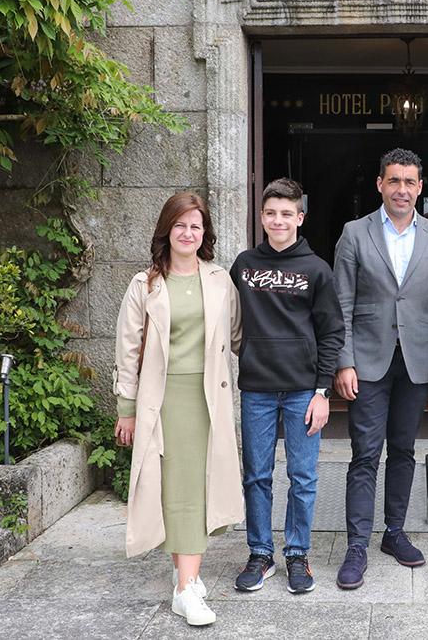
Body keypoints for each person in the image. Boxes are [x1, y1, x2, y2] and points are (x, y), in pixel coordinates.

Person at [113, 192, 243, 626]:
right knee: (178, 488)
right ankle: (187, 589)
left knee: (197, 488)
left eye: (196, 226)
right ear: (167, 230)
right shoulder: (145, 284)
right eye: (181, 225)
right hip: (163, 399)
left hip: (209, 399)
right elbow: (128, 350)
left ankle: (183, 577)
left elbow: (239, 336)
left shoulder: (220, 280)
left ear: (205, 234)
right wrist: (126, 408)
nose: (188, 233)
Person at [333, 147, 428, 589]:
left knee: (403, 449)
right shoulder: (354, 233)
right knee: (365, 453)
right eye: (394, 180)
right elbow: (341, 305)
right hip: (366, 360)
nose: (402, 189)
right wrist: (342, 361)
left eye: (410, 182)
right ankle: (356, 545)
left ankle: (395, 532)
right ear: (380, 185)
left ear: (420, 187)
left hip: (418, 360)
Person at [229, 178, 344, 595]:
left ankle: (298, 555)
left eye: (286, 213)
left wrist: (322, 392)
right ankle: (260, 554)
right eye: (271, 213)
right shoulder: (243, 265)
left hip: (301, 391)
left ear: (300, 217)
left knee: (303, 475)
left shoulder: (317, 269)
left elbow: (332, 332)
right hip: (256, 387)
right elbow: (230, 322)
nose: (279, 220)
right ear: (262, 217)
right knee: (256, 475)